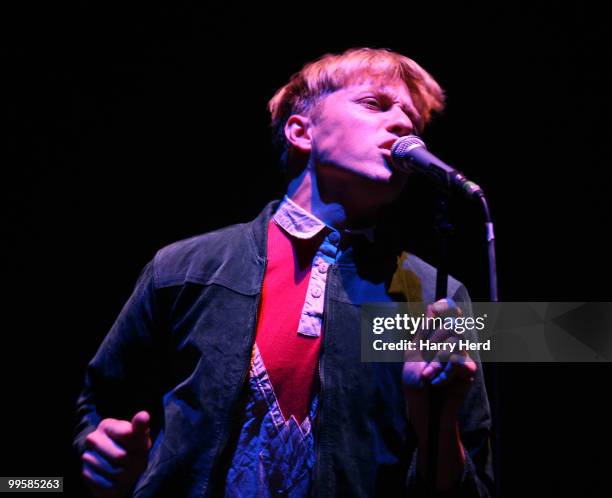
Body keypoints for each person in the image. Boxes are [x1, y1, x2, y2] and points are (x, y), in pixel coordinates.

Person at [74, 47, 493, 497]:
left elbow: (472, 488)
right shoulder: (185, 267)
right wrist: (101, 450)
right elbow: (100, 404)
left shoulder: (435, 296)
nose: (405, 124)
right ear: (301, 131)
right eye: (374, 104)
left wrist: (436, 420)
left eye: (413, 119)